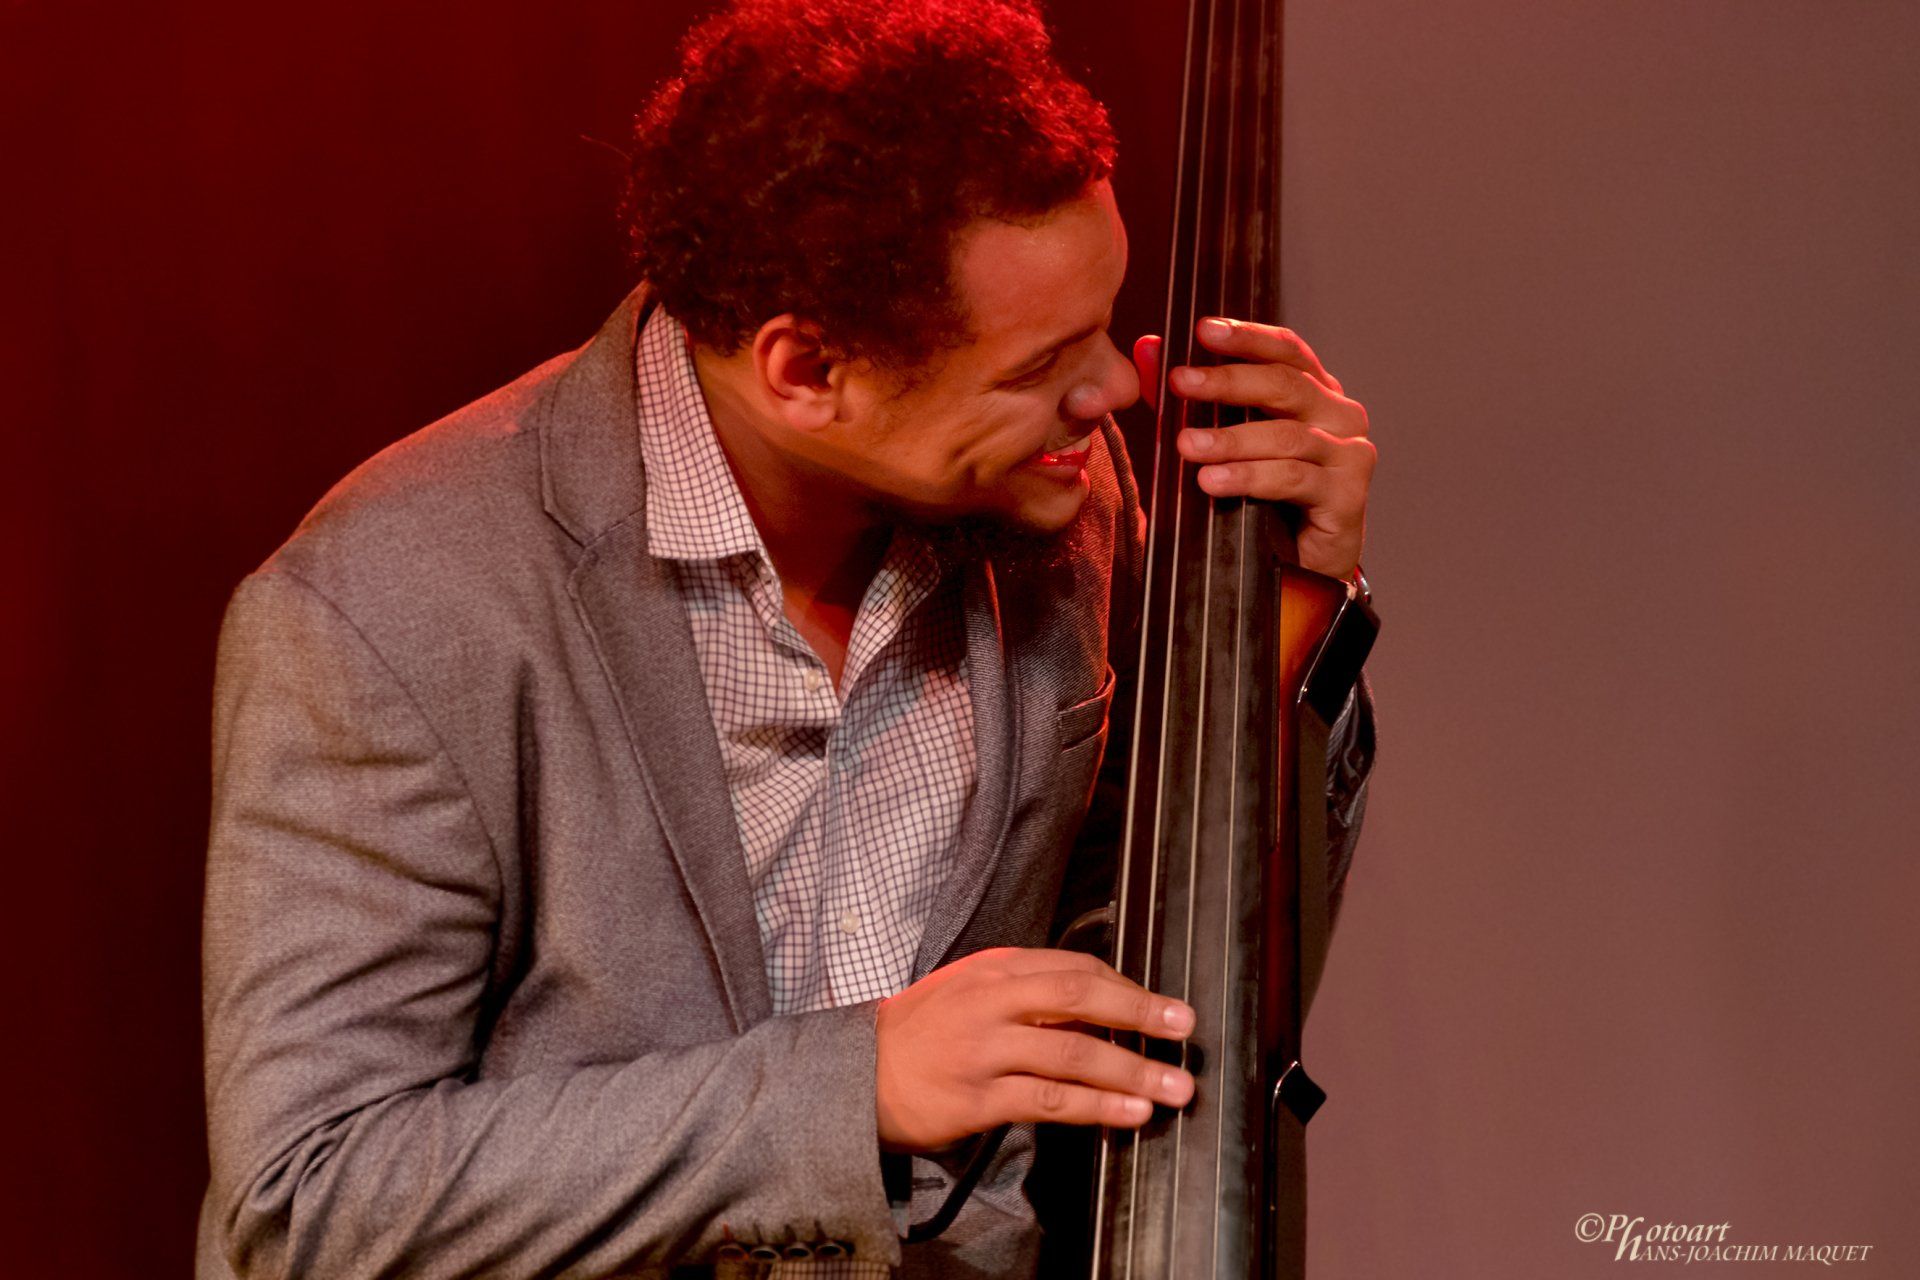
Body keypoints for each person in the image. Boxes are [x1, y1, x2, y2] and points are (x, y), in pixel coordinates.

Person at [195, 1, 1378, 1276]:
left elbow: (1155, 951)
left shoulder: (1055, 491)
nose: (1115, 391)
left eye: (1104, 322)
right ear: (807, 371)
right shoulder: (388, 606)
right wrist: (851, 1087)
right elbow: (308, 1198)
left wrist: (1289, 611)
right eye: (1038, 363)